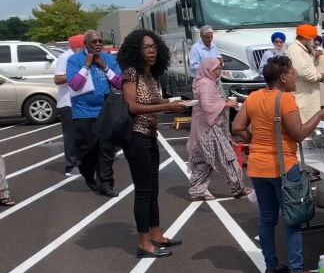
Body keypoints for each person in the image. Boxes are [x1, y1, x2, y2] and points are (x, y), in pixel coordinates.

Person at [231, 56, 324, 273]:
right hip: (283, 168)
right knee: (292, 219)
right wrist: (320, 114)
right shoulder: (286, 100)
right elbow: (298, 134)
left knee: (267, 220)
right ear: (282, 77)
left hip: (258, 168)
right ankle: (297, 272)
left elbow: (237, 127)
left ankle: (271, 267)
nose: (295, 77)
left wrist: (256, 141)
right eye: (292, 73)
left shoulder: (253, 98)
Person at [117, 29, 188, 258]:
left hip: (150, 134)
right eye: (146, 47)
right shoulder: (131, 73)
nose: (151, 51)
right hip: (136, 136)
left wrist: (172, 102)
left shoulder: (151, 75)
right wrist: (167, 107)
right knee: (144, 191)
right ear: (135, 50)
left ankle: (156, 234)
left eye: (154, 47)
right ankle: (143, 244)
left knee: (153, 188)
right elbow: (133, 107)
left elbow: (154, 101)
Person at [186, 58, 252, 201]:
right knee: (228, 157)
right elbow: (207, 106)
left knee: (203, 160)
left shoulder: (203, 81)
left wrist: (224, 103)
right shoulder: (206, 83)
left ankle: (198, 189)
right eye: (216, 69)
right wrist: (225, 104)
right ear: (209, 69)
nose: (219, 71)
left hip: (202, 128)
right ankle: (238, 188)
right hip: (210, 128)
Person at [66, 30, 122, 197]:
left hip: (105, 111)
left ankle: (106, 184)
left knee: (107, 150)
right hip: (83, 113)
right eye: (94, 42)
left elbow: (119, 83)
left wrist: (104, 67)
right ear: (86, 44)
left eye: (100, 41)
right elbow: (75, 85)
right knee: (87, 150)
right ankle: (89, 175)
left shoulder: (109, 59)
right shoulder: (74, 60)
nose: (98, 44)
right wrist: (87, 65)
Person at [53, 34, 84, 176]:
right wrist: (77, 73)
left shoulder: (83, 57)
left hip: (80, 102)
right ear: (77, 46)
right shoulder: (66, 57)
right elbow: (58, 79)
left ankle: (83, 162)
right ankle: (71, 165)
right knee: (71, 136)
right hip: (67, 103)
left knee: (83, 134)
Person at [287, 24, 324, 122]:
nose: (312, 42)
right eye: (311, 39)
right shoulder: (295, 49)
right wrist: (321, 77)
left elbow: (305, 66)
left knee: (311, 125)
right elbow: (303, 72)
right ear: (306, 38)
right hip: (303, 96)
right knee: (305, 127)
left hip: (308, 95)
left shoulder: (301, 49)